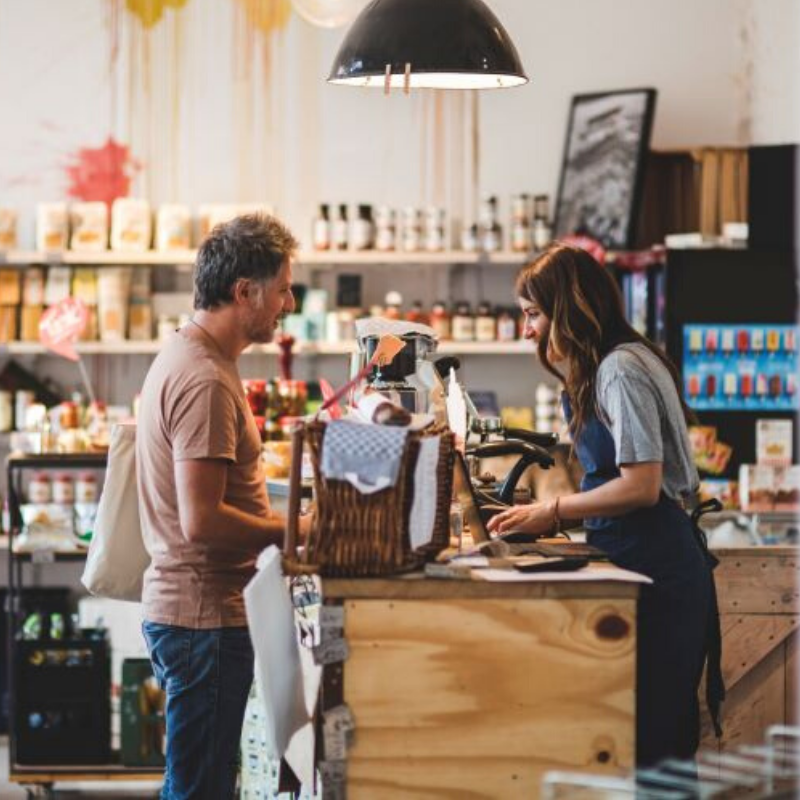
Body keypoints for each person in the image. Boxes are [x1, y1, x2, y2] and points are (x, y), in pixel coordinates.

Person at [488, 242, 722, 767]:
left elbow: (640, 485)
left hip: (658, 566)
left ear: (566, 310)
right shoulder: (612, 363)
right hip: (638, 560)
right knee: (633, 736)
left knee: (655, 743)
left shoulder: (620, 369)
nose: (527, 329)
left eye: (533, 314)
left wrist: (551, 512)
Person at [137, 213, 298, 799]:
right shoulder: (203, 377)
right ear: (244, 292)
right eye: (281, 288)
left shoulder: (194, 356)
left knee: (197, 781)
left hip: (198, 613)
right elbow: (201, 522)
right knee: (200, 789)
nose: (288, 301)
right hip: (202, 615)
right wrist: (295, 532)